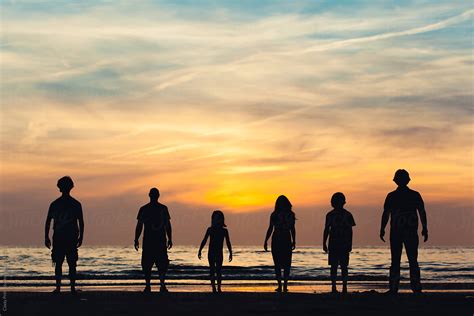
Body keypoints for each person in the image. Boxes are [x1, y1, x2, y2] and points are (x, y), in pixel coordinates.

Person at [380, 169, 428, 294]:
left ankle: (396, 287)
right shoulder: (412, 195)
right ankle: (413, 286)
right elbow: (421, 212)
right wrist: (425, 227)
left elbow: (386, 214)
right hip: (404, 232)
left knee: (399, 260)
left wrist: (382, 228)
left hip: (401, 232)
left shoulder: (393, 196)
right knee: (410, 260)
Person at [44, 176, 84, 294]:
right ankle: (71, 288)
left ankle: (59, 288)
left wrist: (46, 236)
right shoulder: (76, 204)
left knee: (59, 263)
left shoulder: (55, 204)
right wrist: (81, 236)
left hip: (61, 237)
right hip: (69, 237)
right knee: (71, 264)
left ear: (59, 188)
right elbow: (81, 222)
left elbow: (48, 221)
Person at [134, 188, 173, 293]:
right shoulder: (162, 208)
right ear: (158, 195)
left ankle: (149, 285)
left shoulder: (144, 209)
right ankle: (161, 284)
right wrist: (170, 238)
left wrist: (136, 239)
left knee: (150, 263)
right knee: (159, 263)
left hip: (151, 241)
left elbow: (139, 226)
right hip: (156, 241)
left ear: (149, 195)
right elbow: (167, 226)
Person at [323, 192, 356, 294]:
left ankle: (338, 287)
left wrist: (324, 243)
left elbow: (350, 230)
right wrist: (324, 243)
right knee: (341, 266)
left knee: (338, 266)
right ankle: (340, 287)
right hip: (338, 243)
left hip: (339, 243)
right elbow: (327, 229)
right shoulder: (346, 214)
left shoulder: (332, 215)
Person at [264, 195, 296, 293]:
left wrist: (294, 240)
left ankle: (284, 285)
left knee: (285, 263)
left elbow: (292, 229)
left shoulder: (288, 214)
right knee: (279, 263)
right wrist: (266, 240)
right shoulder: (275, 214)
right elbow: (270, 228)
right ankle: (281, 285)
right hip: (279, 239)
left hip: (283, 239)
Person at [198, 210, 233, 293]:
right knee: (212, 270)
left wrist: (230, 252)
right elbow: (204, 240)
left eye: (219, 218)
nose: (218, 220)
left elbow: (228, 242)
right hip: (211, 252)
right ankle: (213, 287)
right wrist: (200, 250)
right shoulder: (210, 229)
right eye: (216, 218)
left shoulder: (224, 231)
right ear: (213, 219)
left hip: (219, 253)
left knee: (219, 270)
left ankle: (219, 287)